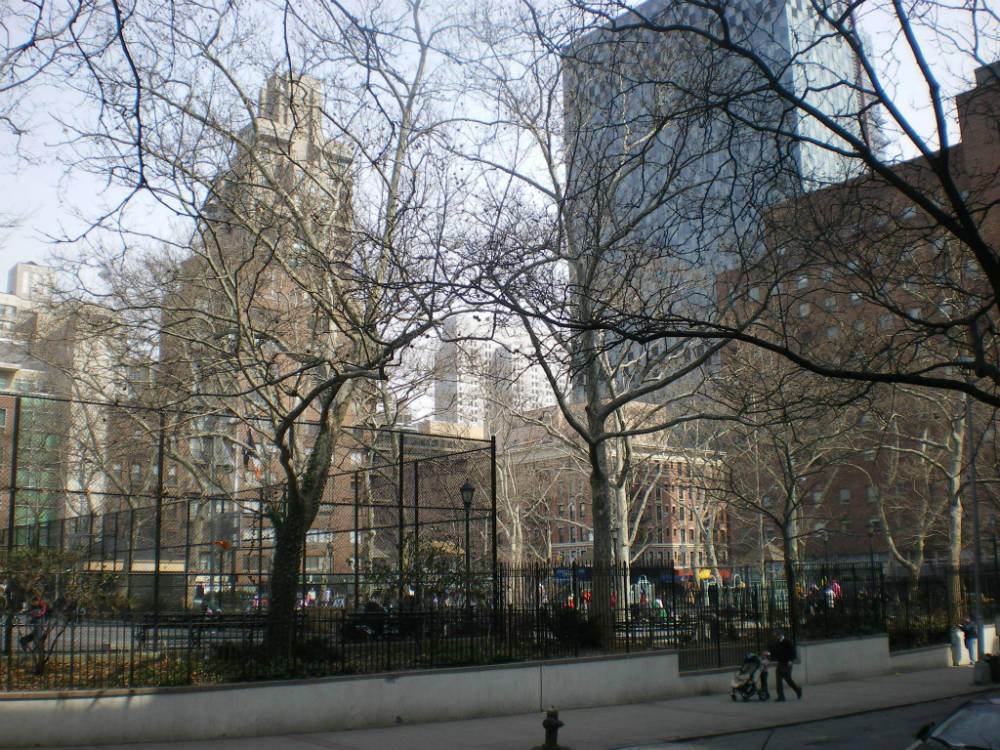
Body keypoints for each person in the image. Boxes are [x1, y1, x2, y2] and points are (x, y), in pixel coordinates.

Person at [767, 630, 802, 702]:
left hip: (787, 663)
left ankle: (797, 690)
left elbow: (793, 652)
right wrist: (770, 655)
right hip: (780, 663)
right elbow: (776, 652)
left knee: (788, 679)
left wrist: (791, 660)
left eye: (776, 635)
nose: (775, 637)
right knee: (779, 679)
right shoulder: (777, 643)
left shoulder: (787, 641)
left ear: (780, 635)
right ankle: (781, 696)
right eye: (774, 636)